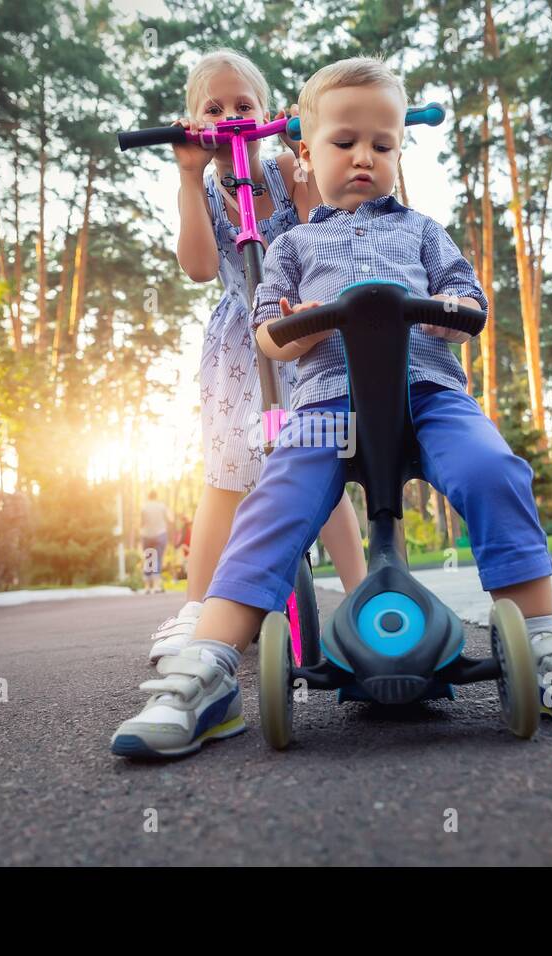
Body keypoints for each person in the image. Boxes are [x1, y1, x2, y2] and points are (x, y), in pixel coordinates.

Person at [111, 57, 552, 758]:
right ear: (303, 152)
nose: (364, 157)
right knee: (271, 500)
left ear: (398, 151)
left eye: (382, 145)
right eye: (343, 143)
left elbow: (468, 300)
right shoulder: (293, 244)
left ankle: (545, 646)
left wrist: (452, 316)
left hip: (429, 397)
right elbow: (268, 330)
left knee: (492, 468)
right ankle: (206, 669)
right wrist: (299, 325)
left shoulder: (422, 231)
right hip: (327, 407)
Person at [145, 50, 367, 662]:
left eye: (244, 106)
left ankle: (361, 598)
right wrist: (189, 178)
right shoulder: (205, 187)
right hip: (237, 343)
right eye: (213, 109)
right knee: (225, 475)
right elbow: (196, 267)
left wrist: (301, 163)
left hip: (302, 330)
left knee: (320, 455)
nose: (232, 118)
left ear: (268, 114)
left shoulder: (285, 171)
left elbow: (316, 236)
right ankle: (198, 609)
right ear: (193, 123)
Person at [139, 492, 173, 594]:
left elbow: (141, 523)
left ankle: (147, 587)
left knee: (148, 559)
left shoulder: (144, 507)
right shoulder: (162, 506)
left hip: (147, 535)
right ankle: (156, 586)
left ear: (148, 497)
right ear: (156, 497)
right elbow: (171, 519)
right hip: (160, 534)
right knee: (158, 559)